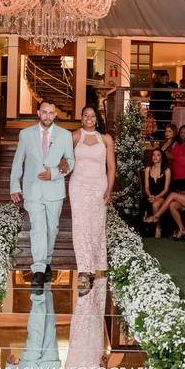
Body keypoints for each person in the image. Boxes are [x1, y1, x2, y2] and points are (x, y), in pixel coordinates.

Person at [10, 100, 75, 294]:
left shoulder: (65, 135)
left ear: (55, 114)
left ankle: (46, 262)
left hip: (54, 189)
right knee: (38, 228)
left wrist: (53, 173)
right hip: (33, 190)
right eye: (44, 112)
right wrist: (14, 186)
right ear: (38, 113)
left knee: (51, 229)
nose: (47, 116)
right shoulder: (25, 134)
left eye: (51, 113)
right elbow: (18, 161)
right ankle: (38, 268)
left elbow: (70, 161)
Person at [69, 105, 115, 295]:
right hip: (78, 186)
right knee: (80, 226)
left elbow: (111, 166)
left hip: (99, 187)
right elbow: (64, 158)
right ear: (81, 118)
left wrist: (109, 189)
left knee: (96, 226)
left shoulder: (106, 139)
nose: (89, 118)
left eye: (92, 116)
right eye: (86, 115)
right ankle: (84, 270)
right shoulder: (74, 136)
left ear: (97, 119)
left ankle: (96, 265)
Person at [142, 149, 171, 238]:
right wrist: (150, 195)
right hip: (150, 195)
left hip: (162, 195)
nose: (155, 157)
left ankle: (158, 227)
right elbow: (146, 187)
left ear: (162, 158)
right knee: (150, 202)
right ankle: (154, 227)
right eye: (153, 155)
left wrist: (156, 197)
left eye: (158, 155)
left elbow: (166, 190)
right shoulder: (148, 169)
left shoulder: (167, 170)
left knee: (155, 204)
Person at [169, 125, 185, 192]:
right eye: (181, 132)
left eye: (184, 132)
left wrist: (173, 157)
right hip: (174, 175)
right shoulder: (177, 144)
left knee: (180, 194)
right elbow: (171, 155)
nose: (182, 134)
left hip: (184, 175)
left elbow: (184, 158)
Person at [150, 72, 173, 140]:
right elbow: (153, 97)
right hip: (159, 108)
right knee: (159, 124)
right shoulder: (157, 86)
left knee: (167, 124)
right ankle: (159, 138)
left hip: (166, 108)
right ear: (161, 78)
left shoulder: (169, 86)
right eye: (165, 78)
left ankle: (165, 138)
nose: (167, 79)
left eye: (167, 78)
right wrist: (152, 108)